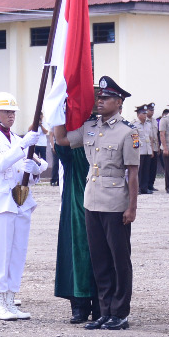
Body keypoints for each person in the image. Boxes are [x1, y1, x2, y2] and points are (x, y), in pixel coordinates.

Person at [0, 92, 47, 320]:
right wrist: (23, 145)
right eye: (6, 112)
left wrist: (33, 172)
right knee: (2, 252)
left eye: (13, 112)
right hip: (2, 199)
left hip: (21, 199)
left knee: (18, 252)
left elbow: (23, 170)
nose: (11, 116)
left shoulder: (15, 138)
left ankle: (11, 299)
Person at [81, 77, 140, 330]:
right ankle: (104, 311)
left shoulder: (128, 131)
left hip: (116, 202)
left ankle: (120, 312)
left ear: (119, 102)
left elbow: (133, 173)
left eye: (105, 98)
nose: (100, 101)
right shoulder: (90, 127)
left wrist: (132, 207)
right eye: (99, 97)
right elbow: (62, 139)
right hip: (92, 199)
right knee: (99, 259)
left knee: (119, 259)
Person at [51, 101, 98, 325]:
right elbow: (60, 144)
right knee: (76, 253)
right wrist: (58, 108)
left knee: (102, 254)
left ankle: (102, 304)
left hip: (104, 202)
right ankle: (79, 305)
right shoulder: (75, 146)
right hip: (76, 202)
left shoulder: (109, 135)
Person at [134, 104, 156, 195]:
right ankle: (137, 188)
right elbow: (134, 137)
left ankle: (145, 188)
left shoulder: (148, 124)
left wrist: (151, 150)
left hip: (147, 150)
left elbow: (150, 137)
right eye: (143, 113)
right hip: (140, 150)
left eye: (146, 114)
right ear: (138, 114)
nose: (145, 115)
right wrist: (136, 150)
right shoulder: (134, 124)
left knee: (146, 170)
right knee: (139, 171)